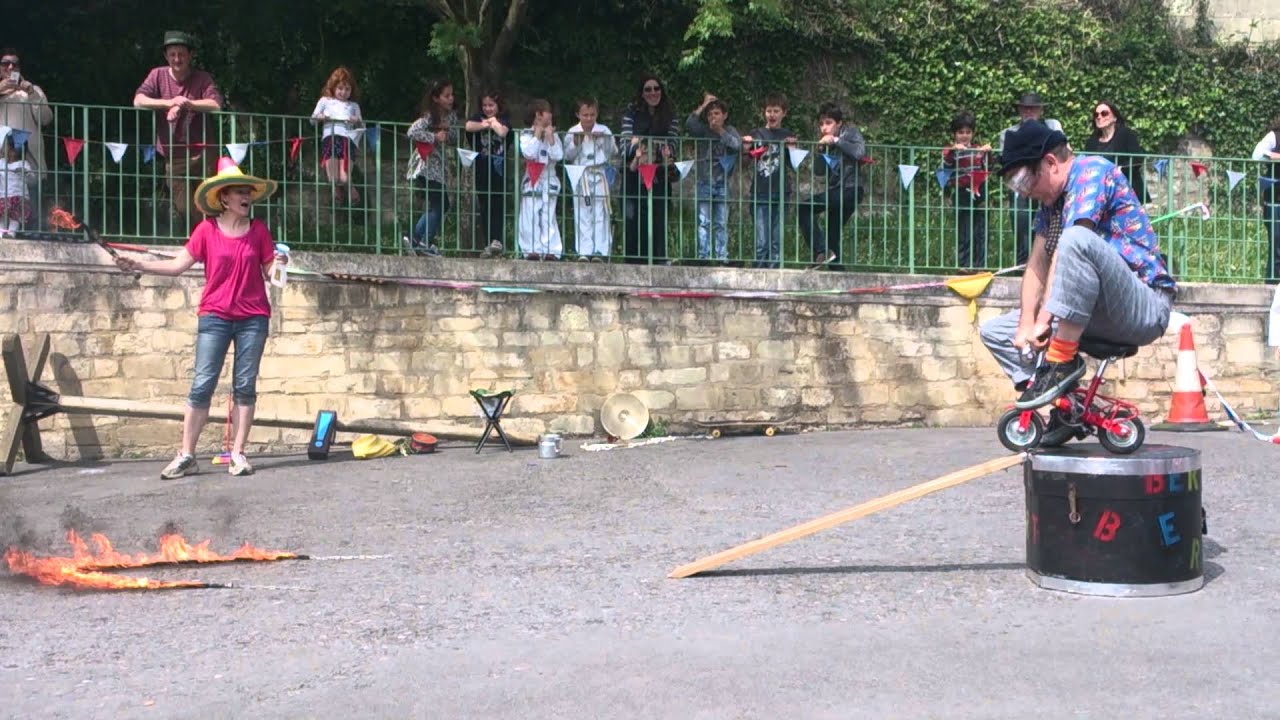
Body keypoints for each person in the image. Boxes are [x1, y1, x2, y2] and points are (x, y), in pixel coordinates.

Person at [979, 121, 1176, 441]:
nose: (1025, 192)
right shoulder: (1051, 204)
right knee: (995, 333)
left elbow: (1070, 248)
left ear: (1050, 163)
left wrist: (1044, 320)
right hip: (1090, 311)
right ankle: (1068, 408)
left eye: (1024, 181)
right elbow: (1037, 263)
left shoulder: (1092, 172)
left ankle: (1060, 362)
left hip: (1142, 303)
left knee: (1074, 239)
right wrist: (1026, 325)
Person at [111, 158, 286, 479]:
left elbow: (270, 276)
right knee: (202, 384)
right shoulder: (206, 230)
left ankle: (238, 454)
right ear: (224, 198)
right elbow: (177, 265)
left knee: (245, 386)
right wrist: (139, 264)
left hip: (253, 318)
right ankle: (187, 455)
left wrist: (280, 264)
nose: (246, 196)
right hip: (215, 316)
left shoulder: (259, 230)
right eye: (239, 191)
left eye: (248, 191)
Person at [133, 31, 224, 225]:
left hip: (204, 153)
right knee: (184, 207)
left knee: (209, 203)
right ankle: (203, 237)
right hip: (173, 154)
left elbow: (216, 104)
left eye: (181, 54)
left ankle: (210, 238)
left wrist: (186, 104)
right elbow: (138, 101)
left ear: (190, 55)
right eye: (172, 54)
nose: (177, 59)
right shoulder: (157, 75)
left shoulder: (203, 78)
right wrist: (169, 103)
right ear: (166, 56)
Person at [620, 74, 680, 264]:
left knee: (658, 218)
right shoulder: (631, 113)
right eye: (648, 89)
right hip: (634, 173)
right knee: (632, 218)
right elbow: (624, 146)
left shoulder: (670, 115)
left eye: (656, 88)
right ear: (642, 92)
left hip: (659, 175)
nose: (653, 92)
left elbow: (673, 145)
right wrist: (639, 148)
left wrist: (658, 149)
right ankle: (633, 261)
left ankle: (658, 259)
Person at [797, 102, 865, 269]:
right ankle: (836, 271)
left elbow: (859, 153)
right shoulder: (826, 143)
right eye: (821, 124)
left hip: (850, 188)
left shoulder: (850, 133)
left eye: (828, 123)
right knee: (832, 235)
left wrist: (836, 140)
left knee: (805, 207)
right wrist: (821, 150)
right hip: (837, 190)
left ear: (839, 123)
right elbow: (819, 171)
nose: (824, 128)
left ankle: (820, 251)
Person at [997, 92, 1063, 266]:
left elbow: (1060, 152)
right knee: (1020, 220)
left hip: (1047, 182)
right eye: (1025, 108)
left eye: (1033, 108)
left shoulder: (1053, 126)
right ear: (1020, 110)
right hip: (1022, 184)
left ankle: (1046, 264)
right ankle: (1023, 264)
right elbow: (1009, 163)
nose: (1029, 112)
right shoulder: (1008, 133)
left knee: (1050, 223)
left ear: (1040, 110)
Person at [742, 94, 797, 269]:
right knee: (761, 239)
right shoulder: (756, 133)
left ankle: (775, 272)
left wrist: (792, 148)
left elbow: (794, 165)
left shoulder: (787, 135)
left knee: (776, 238)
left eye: (776, 111)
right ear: (764, 112)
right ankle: (758, 270)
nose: (772, 115)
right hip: (760, 191)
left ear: (784, 113)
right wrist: (746, 149)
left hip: (781, 192)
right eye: (768, 111)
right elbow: (744, 164)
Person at [686, 92, 742, 264]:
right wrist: (704, 104)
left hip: (722, 183)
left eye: (716, 113)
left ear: (725, 115)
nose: (713, 117)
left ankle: (721, 256)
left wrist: (720, 131)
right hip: (704, 181)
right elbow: (689, 124)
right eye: (710, 114)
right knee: (704, 221)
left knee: (721, 222)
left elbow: (737, 145)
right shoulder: (703, 130)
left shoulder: (730, 130)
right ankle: (703, 256)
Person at [404, 79, 457, 257]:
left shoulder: (451, 116)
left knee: (438, 204)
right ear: (436, 98)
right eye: (446, 96)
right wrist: (434, 137)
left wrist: (448, 132)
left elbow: (453, 138)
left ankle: (415, 239)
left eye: (452, 95)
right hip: (426, 166)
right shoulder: (429, 116)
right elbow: (412, 132)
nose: (451, 99)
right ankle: (425, 241)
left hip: (439, 168)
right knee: (441, 203)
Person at [562, 97, 615, 261]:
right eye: (585, 115)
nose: (589, 118)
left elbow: (612, 152)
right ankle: (584, 251)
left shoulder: (604, 130)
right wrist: (576, 143)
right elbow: (567, 155)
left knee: (601, 213)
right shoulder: (573, 131)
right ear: (578, 114)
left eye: (592, 115)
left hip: (599, 173)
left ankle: (600, 251)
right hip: (581, 175)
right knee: (582, 212)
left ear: (597, 114)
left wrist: (602, 140)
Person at [0, 48, 52, 213]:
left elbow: (46, 119)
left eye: (15, 64)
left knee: (32, 214)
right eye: (5, 63)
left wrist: (31, 94)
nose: (10, 67)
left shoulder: (33, 90)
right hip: (1, 163)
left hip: (29, 163)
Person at [942, 110, 992, 270]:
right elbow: (945, 167)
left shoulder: (978, 149)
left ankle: (980, 265)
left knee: (981, 229)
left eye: (968, 132)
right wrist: (953, 151)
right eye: (960, 132)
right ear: (954, 134)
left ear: (973, 133)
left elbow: (989, 167)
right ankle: (964, 265)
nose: (964, 136)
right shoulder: (950, 151)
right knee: (964, 229)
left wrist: (988, 153)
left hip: (979, 192)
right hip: (961, 191)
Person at [464, 91, 511, 258]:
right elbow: (468, 126)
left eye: (491, 105)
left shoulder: (504, 119)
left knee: (497, 204)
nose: (487, 108)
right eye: (485, 105)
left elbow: (502, 132)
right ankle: (488, 242)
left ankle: (497, 240)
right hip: (481, 169)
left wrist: (493, 122)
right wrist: (486, 124)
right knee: (484, 205)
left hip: (498, 170)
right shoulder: (478, 118)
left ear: (498, 105)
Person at [517, 99, 564, 260]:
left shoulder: (553, 135)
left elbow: (558, 155)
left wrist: (550, 138)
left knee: (548, 216)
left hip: (549, 177)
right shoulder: (526, 134)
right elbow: (528, 153)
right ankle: (531, 250)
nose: (551, 115)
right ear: (538, 115)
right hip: (532, 177)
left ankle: (552, 250)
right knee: (530, 214)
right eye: (548, 112)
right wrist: (537, 135)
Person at [310, 66, 364, 204]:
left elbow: (362, 127)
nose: (343, 92)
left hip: (347, 140)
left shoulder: (354, 106)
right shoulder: (325, 101)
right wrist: (320, 117)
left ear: (351, 90)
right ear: (333, 87)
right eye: (340, 88)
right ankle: (336, 191)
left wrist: (357, 121)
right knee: (333, 177)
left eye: (347, 89)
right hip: (330, 138)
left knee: (344, 177)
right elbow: (312, 119)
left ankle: (351, 189)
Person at [1084, 100, 1147, 204]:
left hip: (1126, 190)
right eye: (1096, 114)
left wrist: (1117, 170)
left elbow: (1137, 158)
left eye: (1104, 113)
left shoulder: (1126, 134)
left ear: (1115, 118)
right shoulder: (1092, 141)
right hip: (1101, 193)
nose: (1099, 117)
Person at [1251, 114, 1280, 284]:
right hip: (1275, 200)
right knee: (1277, 244)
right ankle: (1273, 284)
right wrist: (1277, 157)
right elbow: (1257, 155)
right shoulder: (1274, 136)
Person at [0, 127, 34, 236]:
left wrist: (25, 174)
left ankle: (11, 234)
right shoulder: (1, 162)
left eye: (5, 146)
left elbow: (32, 180)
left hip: (19, 196)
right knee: (2, 217)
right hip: (3, 196)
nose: (3, 148)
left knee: (15, 218)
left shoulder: (23, 164)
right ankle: (1, 234)